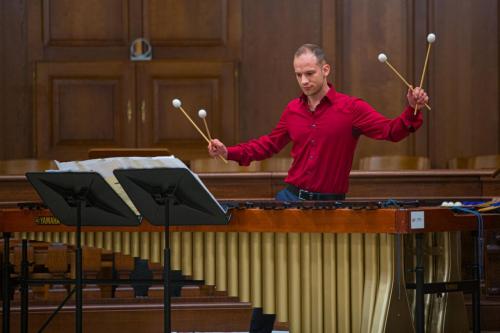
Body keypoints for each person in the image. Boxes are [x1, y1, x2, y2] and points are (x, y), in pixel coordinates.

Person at [208, 43, 429, 202]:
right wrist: (229, 151)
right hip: (291, 198)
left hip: (331, 204)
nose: (303, 81)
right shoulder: (293, 109)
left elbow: (391, 131)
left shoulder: (352, 108)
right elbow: (268, 144)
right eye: (298, 75)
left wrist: (412, 108)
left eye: (309, 73)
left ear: (325, 70)